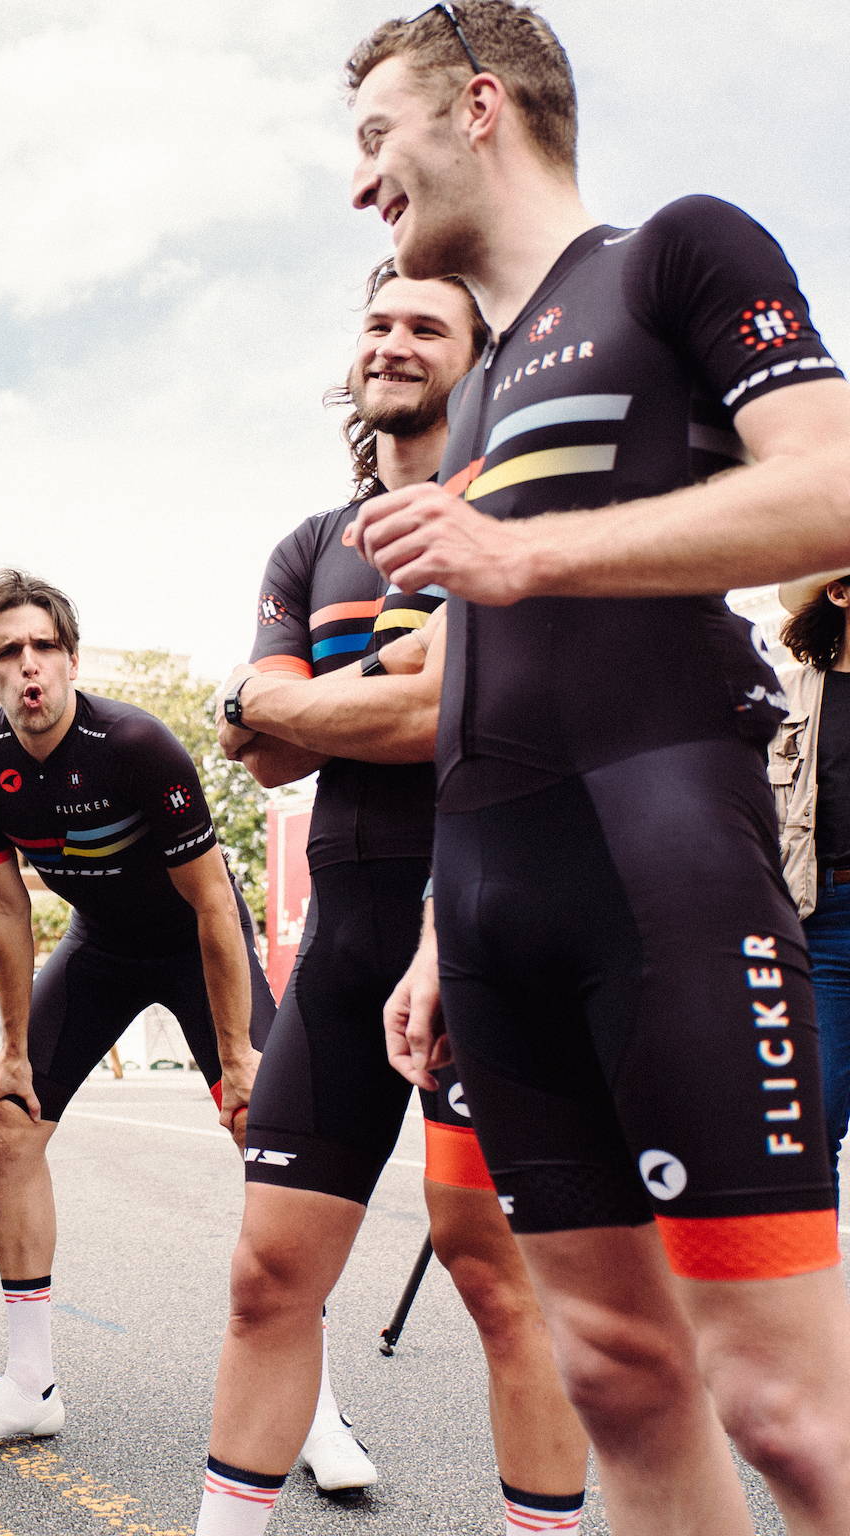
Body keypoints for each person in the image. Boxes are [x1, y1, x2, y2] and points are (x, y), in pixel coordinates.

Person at [340, 6, 850, 1533]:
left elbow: (833, 490)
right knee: (620, 1379)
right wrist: (440, 932)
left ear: (479, 106)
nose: (361, 184)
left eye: (377, 138)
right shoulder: (481, 384)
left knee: (786, 1412)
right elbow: (494, 695)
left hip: (669, 881)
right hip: (499, 916)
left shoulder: (679, 252)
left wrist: (524, 549)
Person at [201, 260, 587, 1532]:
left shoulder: (513, 516)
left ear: (478, 361)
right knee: (268, 1278)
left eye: (429, 324)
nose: (394, 342)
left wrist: (312, 699)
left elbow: (425, 718)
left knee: (496, 1279)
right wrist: (385, 678)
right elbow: (257, 747)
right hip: (351, 930)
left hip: (491, 928)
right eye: (377, 322)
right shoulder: (311, 545)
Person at [0, 570, 300, 1456]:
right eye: (8, 653)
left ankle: (309, 1401)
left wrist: (238, 1052)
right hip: (100, 947)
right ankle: (28, 1383)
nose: (29, 670)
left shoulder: (135, 742)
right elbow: (4, 905)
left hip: (192, 939)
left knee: (270, 1133)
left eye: (44, 649)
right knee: (6, 1126)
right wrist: (11, 1050)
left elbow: (215, 905)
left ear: (71, 659)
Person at [771, 570, 850, 1185]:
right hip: (824, 923)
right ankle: (810, 1278)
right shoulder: (787, 695)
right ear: (840, 592)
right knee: (811, 1120)